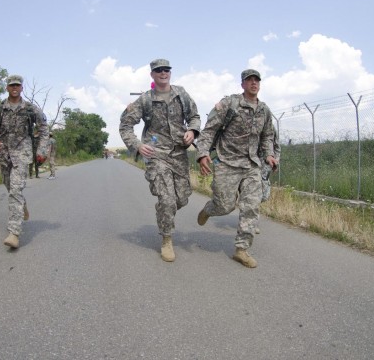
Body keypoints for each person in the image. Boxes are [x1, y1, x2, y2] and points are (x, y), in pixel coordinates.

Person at [119, 59, 201, 262]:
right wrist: (137, 145)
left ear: (170, 73)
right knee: (167, 199)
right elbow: (125, 125)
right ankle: (166, 239)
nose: (163, 73)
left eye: (166, 70)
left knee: (182, 198)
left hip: (179, 154)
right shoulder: (146, 99)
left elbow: (195, 116)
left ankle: (166, 210)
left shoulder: (181, 94)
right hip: (156, 155)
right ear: (152, 75)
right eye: (159, 71)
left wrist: (192, 130)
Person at [195, 69, 278, 268]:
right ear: (242, 84)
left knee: (251, 206)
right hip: (227, 162)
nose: (253, 83)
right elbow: (209, 130)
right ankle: (209, 209)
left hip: (252, 165)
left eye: (256, 80)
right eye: (249, 80)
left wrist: (268, 154)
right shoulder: (229, 104)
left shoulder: (264, 110)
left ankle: (242, 249)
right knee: (225, 206)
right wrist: (203, 153)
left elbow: (267, 136)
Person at [0, 75, 48, 249]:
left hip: (22, 152)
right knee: (10, 188)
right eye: (11, 85)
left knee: (15, 190)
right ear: (7, 88)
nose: (14, 88)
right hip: (4, 154)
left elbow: (43, 128)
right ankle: (22, 206)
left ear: (21, 88)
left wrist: (42, 150)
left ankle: (14, 233)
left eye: (17, 85)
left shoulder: (30, 109)